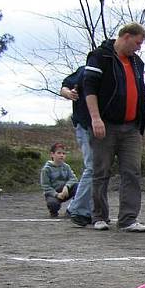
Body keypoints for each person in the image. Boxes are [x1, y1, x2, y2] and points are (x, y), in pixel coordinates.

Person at [84, 22, 145, 232]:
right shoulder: (99, 57)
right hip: (106, 125)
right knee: (101, 171)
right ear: (126, 36)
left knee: (132, 172)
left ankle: (128, 219)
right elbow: (89, 88)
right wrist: (95, 118)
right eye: (137, 43)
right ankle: (99, 217)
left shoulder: (137, 63)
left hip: (131, 127)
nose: (138, 48)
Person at [59, 67, 96, 227]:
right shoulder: (84, 71)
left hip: (103, 128)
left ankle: (85, 208)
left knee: (98, 169)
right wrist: (69, 93)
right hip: (85, 126)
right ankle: (77, 208)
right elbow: (64, 86)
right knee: (92, 168)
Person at [39, 143, 78, 218]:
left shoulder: (66, 167)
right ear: (52, 154)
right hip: (53, 193)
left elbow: (73, 179)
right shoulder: (46, 169)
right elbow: (46, 186)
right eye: (59, 153)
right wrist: (57, 194)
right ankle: (53, 212)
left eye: (63, 153)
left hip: (65, 191)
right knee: (53, 204)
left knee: (79, 187)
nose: (62, 155)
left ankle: (73, 209)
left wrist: (67, 187)